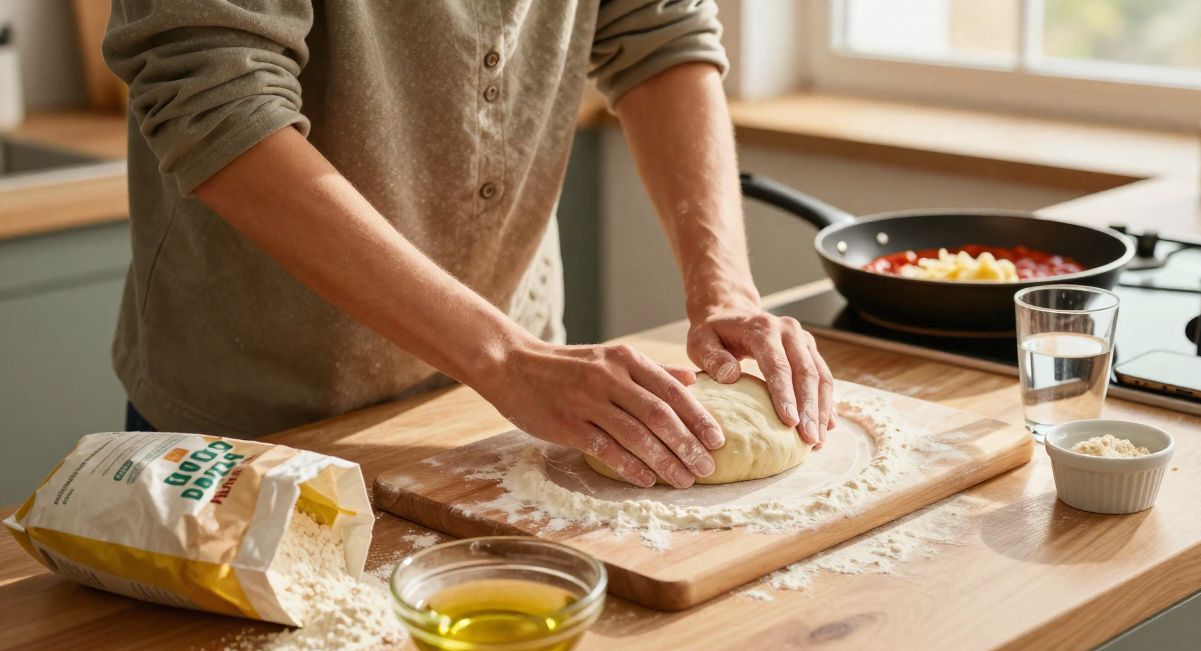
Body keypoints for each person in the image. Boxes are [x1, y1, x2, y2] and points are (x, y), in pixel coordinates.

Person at [104, 0, 833, 490]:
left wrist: (725, 288)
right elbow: (214, 91)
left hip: (515, 405)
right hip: (261, 416)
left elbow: (660, 29)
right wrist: (504, 358)